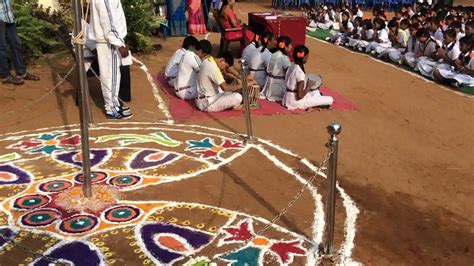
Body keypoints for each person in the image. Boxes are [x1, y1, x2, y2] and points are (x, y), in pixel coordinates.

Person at [90, 0, 132, 119]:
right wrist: (119, 44)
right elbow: (108, 22)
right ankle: (112, 107)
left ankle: (114, 104)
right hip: (109, 42)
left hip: (108, 41)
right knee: (111, 75)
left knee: (112, 74)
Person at [282, 45, 333, 110]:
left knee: (315, 91)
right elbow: (299, 96)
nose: (307, 58)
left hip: (286, 99)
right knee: (330, 99)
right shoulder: (299, 72)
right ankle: (317, 104)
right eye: (307, 56)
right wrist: (308, 87)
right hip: (296, 102)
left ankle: (317, 99)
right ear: (304, 57)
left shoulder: (291, 66)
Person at [0, 0, 39, 85]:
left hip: (8, 16)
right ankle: (5, 76)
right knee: (1, 47)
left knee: (16, 43)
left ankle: (21, 72)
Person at [261, 36, 292, 101]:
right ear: (285, 46)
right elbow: (289, 74)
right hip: (277, 88)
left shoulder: (273, 54)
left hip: (267, 85)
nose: (291, 47)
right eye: (290, 45)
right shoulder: (284, 58)